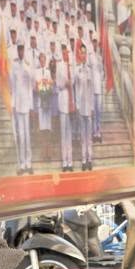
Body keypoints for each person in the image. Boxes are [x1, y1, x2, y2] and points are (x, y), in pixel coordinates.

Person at [9, 42, 35, 175]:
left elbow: (31, 87)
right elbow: (12, 86)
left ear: (24, 51)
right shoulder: (14, 66)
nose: (20, 52)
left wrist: (31, 106)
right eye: (19, 49)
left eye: (22, 50)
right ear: (17, 50)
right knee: (21, 135)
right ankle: (22, 164)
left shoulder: (27, 65)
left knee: (27, 135)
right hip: (18, 105)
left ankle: (29, 163)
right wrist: (13, 104)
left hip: (26, 104)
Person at [71, 41, 94, 171]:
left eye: (85, 53)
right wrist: (76, 104)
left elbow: (92, 89)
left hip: (88, 107)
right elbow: (74, 87)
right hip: (80, 106)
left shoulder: (90, 71)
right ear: (79, 55)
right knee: (82, 135)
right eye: (81, 53)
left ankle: (89, 159)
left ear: (86, 55)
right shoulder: (77, 70)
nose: (83, 55)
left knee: (88, 136)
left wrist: (92, 107)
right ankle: (84, 160)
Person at [54, 39, 73, 172]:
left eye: (67, 51)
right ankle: (64, 162)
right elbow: (58, 84)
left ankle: (70, 162)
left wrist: (71, 82)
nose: (65, 53)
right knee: (63, 134)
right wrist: (64, 83)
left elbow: (74, 82)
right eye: (64, 51)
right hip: (62, 101)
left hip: (70, 104)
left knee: (69, 134)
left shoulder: (71, 66)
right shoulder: (59, 66)